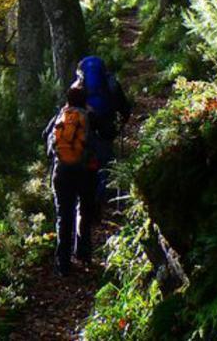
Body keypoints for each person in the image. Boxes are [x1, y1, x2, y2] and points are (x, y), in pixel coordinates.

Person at [44, 85, 96, 276]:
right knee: (84, 210)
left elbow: (45, 135)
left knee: (63, 216)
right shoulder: (88, 116)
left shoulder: (60, 115)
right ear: (84, 100)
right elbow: (106, 134)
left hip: (61, 171)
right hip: (83, 172)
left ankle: (63, 264)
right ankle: (83, 253)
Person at [73, 56, 132, 206]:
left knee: (89, 160)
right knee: (105, 159)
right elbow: (122, 104)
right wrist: (122, 120)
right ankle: (106, 193)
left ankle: (91, 198)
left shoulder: (79, 85)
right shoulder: (110, 81)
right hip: (106, 124)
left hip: (87, 127)